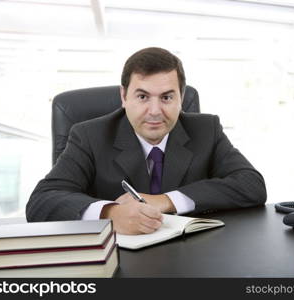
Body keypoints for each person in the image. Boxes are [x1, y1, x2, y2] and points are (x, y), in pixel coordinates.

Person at [26, 47, 267, 235]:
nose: (154, 111)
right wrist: (110, 213)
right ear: (124, 96)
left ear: (181, 98)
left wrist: (166, 201)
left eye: (166, 97)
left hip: (189, 259)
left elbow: (252, 185)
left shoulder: (206, 129)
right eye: (142, 96)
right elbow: (42, 201)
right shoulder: (89, 135)